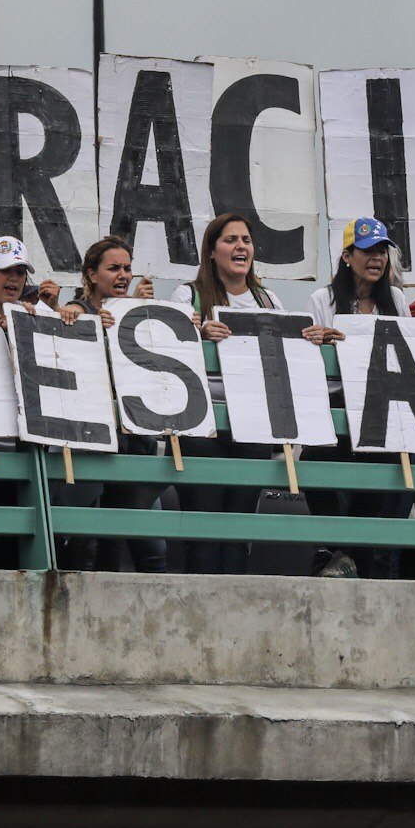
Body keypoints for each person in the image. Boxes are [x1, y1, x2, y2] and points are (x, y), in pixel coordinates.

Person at [302, 217, 415, 578]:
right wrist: (318, 342)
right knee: (317, 468)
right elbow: (309, 362)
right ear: (347, 256)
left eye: (381, 251)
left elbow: (411, 359)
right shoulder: (321, 299)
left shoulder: (397, 300)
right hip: (339, 413)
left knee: (380, 496)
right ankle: (342, 554)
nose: (376, 258)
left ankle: (345, 559)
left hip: (385, 415)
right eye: (367, 251)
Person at [168, 214, 293, 575]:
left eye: (246, 240)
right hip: (203, 423)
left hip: (251, 425)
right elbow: (167, 348)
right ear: (211, 251)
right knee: (203, 530)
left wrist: (308, 337)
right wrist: (198, 335)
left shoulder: (268, 299)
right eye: (230, 240)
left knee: (239, 530)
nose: (241, 246)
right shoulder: (188, 294)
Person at [53, 236, 167, 575]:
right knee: (83, 532)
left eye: (127, 268)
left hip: (133, 438)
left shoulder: (135, 313)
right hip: (90, 439)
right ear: (91, 274)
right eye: (113, 268)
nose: (123, 274)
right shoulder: (77, 312)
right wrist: (73, 317)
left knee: (117, 533)